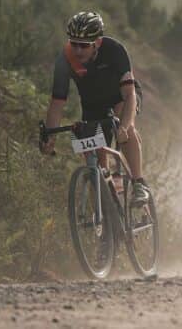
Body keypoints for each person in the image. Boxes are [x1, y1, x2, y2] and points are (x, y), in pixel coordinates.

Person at [40, 11, 150, 204]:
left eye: (83, 45)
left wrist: (125, 126)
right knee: (97, 169)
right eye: (73, 44)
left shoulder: (115, 50)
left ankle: (138, 182)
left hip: (121, 96)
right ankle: (105, 220)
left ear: (97, 43)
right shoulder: (65, 60)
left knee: (123, 124)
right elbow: (57, 103)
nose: (78, 50)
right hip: (93, 105)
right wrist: (50, 136)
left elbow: (129, 94)